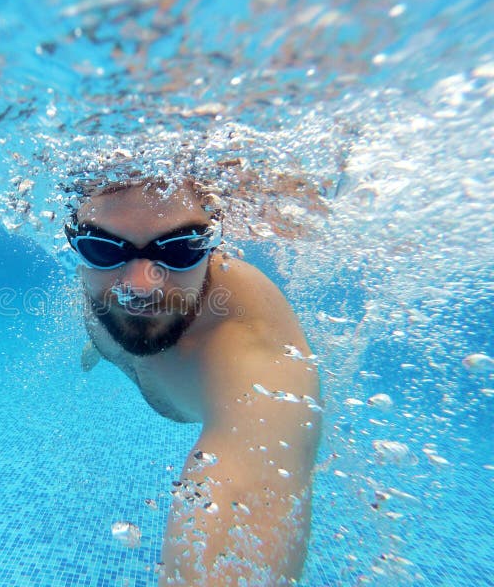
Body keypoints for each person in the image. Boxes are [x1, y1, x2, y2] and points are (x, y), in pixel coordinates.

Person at [65, 176, 321, 586]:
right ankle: (102, 347)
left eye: (180, 248)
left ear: (213, 240)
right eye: (101, 247)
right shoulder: (94, 280)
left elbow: (253, 467)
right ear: (77, 244)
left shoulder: (249, 336)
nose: (138, 286)